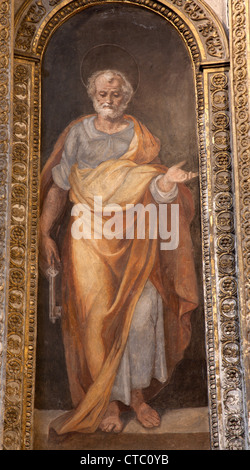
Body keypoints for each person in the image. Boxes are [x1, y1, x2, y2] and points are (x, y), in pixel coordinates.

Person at [39, 69, 198, 436]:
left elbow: (148, 188)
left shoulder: (140, 136)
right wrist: (46, 231)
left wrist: (166, 183)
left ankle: (137, 397)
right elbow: (60, 188)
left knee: (143, 312)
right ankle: (109, 402)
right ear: (92, 94)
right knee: (95, 321)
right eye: (102, 93)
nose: (108, 100)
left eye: (115, 94)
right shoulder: (78, 133)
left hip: (134, 234)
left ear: (125, 97)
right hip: (87, 236)